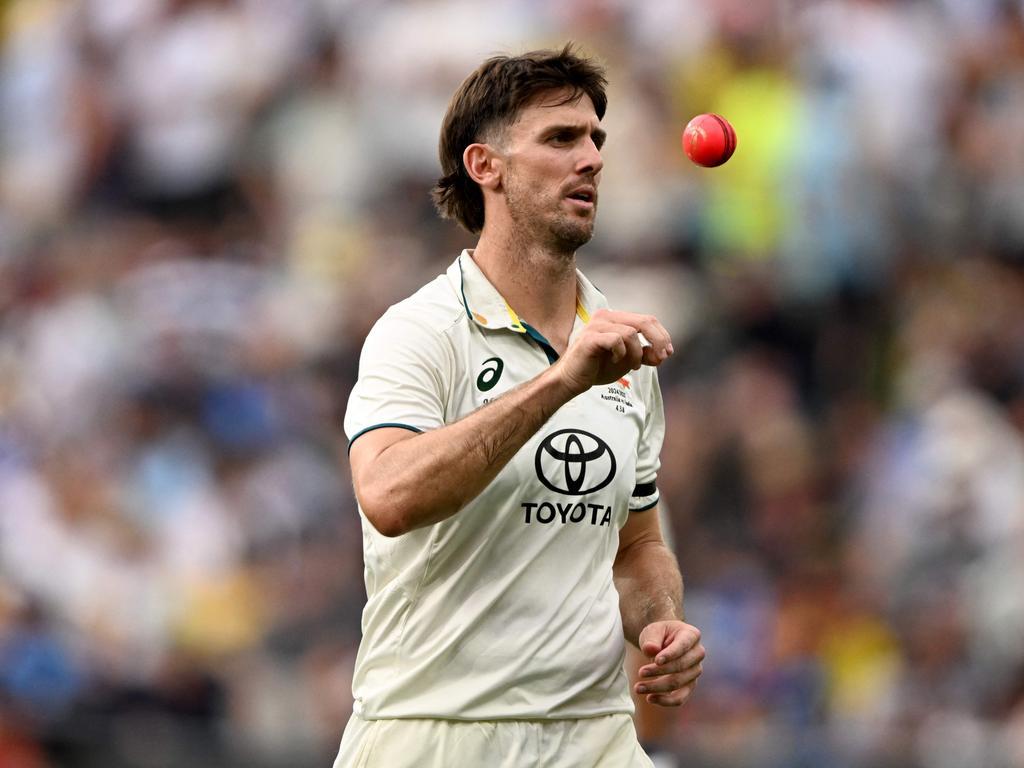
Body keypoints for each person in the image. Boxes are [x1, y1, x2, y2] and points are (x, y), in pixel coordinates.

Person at [335, 44, 705, 768]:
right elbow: (387, 493)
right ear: (486, 166)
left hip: (592, 735)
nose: (592, 157)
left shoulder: (624, 353)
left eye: (596, 138)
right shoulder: (418, 331)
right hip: (434, 731)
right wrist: (561, 381)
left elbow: (637, 547)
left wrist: (661, 624)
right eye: (561, 138)